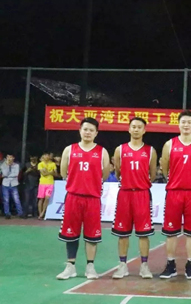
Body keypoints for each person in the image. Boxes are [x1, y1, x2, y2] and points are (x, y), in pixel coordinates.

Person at [56, 118, 110, 280]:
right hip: (73, 197)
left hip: (92, 199)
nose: (87, 132)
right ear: (80, 130)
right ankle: (70, 266)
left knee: (92, 234)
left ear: (96, 133)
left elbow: (105, 174)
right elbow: (63, 172)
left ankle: (90, 266)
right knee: (70, 233)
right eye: (85, 129)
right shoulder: (69, 150)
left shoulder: (102, 152)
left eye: (91, 130)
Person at [159, 110, 191, 280]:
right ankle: (170, 264)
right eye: (183, 122)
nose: (186, 125)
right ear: (178, 124)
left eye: (189, 122)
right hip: (174, 192)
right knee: (171, 231)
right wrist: (174, 182)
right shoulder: (169, 144)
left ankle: (190, 264)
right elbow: (165, 167)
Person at [111, 117, 157, 280]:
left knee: (144, 233)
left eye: (139, 127)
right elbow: (118, 172)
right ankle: (122, 265)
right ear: (129, 129)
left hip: (142, 194)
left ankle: (144, 266)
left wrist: (140, 183)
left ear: (144, 130)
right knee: (122, 233)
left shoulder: (150, 151)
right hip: (125, 194)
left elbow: (152, 174)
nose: (136, 129)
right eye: (133, 126)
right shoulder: (120, 149)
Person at [1, 154, 23, 219]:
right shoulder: (3, 165)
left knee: (16, 199)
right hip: (5, 184)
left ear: (13, 158)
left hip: (14, 183)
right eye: (8, 157)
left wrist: (7, 175)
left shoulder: (16, 165)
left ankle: (20, 213)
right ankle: (7, 214)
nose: (9, 158)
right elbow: (5, 173)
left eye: (10, 157)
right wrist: (7, 165)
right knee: (6, 200)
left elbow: (16, 174)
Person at [37, 153, 58, 220]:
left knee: (47, 198)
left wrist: (49, 172)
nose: (47, 157)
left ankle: (43, 212)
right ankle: (40, 213)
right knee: (41, 199)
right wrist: (51, 172)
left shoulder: (53, 164)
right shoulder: (40, 164)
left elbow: (56, 174)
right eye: (45, 155)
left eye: (47, 155)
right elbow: (43, 173)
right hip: (42, 183)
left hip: (50, 183)